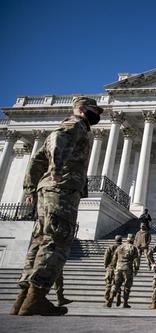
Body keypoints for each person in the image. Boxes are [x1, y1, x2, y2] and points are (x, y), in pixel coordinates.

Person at [11, 96, 102, 316]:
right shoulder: (76, 124)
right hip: (62, 189)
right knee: (57, 240)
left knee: (40, 241)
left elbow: (37, 158)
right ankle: (36, 297)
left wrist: (32, 187)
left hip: (48, 189)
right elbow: (57, 144)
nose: (97, 115)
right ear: (81, 109)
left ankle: (22, 299)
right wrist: (58, 171)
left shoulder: (66, 124)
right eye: (93, 110)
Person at [109, 234, 140, 308]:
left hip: (118, 267)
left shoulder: (120, 247)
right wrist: (136, 269)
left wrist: (113, 267)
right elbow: (136, 260)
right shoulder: (133, 248)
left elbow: (114, 258)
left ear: (127, 239)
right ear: (133, 239)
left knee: (116, 284)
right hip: (128, 268)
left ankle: (111, 297)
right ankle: (125, 302)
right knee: (127, 286)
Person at [104, 235, 122, 307]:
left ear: (115, 240)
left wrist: (106, 265)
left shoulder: (111, 247)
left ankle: (107, 300)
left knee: (108, 284)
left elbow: (106, 257)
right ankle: (118, 296)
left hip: (111, 267)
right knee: (118, 284)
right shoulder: (123, 247)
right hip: (120, 267)